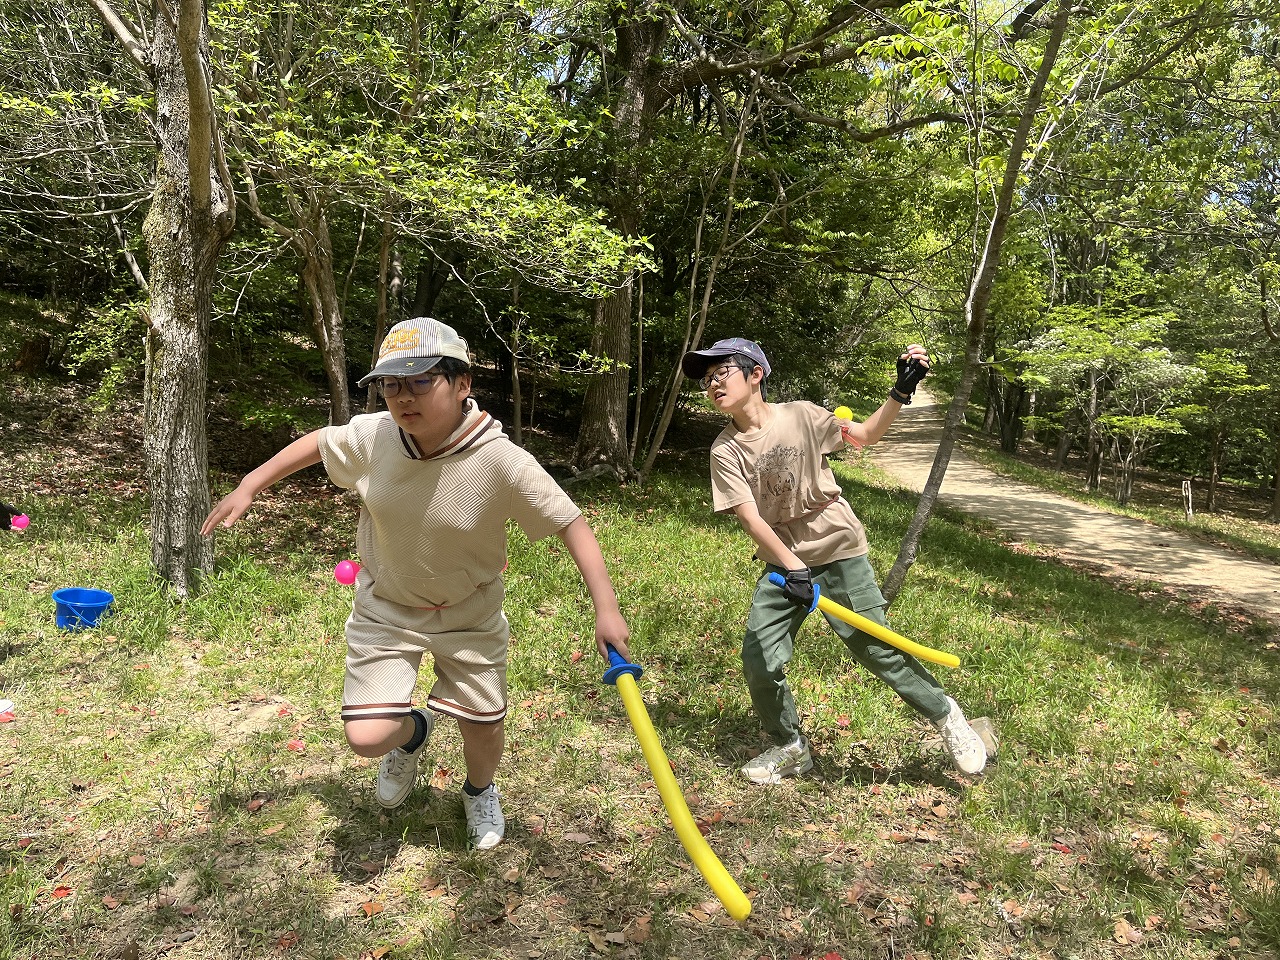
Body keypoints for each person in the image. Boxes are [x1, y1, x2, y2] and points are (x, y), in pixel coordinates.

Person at [203, 316, 631, 849]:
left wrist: (606, 608)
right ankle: (415, 734)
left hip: (469, 614)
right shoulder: (377, 436)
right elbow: (318, 442)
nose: (403, 397)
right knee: (368, 737)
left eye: (421, 381)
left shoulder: (501, 460)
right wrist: (249, 484)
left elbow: (571, 523)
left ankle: (479, 791)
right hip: (387, 607)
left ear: (463, 382)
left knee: (483, 725)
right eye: (391, 384)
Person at [680, 337, 986, 784]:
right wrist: (792, 567)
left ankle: (947, 716)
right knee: (759, 655)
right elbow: (749, 517)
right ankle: (790, 747)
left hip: (839, 547)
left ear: (755, 374)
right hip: (784, 563)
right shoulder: (724, 450)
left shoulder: (801, 415)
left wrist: (900, 392)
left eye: (721, 372)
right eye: (707, 379)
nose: (713, 384)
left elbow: (864, 435)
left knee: (876, 648)